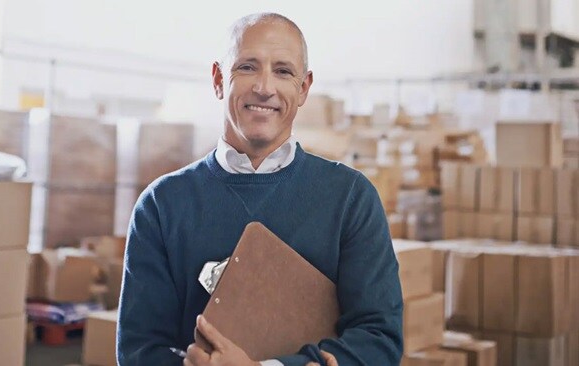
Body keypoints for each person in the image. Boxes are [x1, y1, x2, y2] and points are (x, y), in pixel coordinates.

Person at [117, 12, 403, 366]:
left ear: (303, 89)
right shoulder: (161, 206)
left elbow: (379, 339)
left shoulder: (351, 199)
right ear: (219, 80)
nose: (265, 87)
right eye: (248, 67)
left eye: (283, 71)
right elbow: (138, 350)